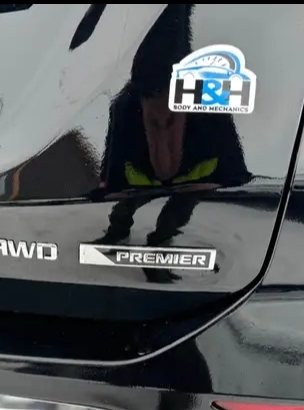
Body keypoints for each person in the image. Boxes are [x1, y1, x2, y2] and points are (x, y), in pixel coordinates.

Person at [92, 5, 253, 247]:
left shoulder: (214, 110)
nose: (162, 150)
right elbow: (108, 186)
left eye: (170, 121)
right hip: (140, 203)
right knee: (120, 215)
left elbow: (240, 185)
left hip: (192, 207)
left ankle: (164, 234)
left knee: (170, 219)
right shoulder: (123, 111)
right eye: (153, 123)